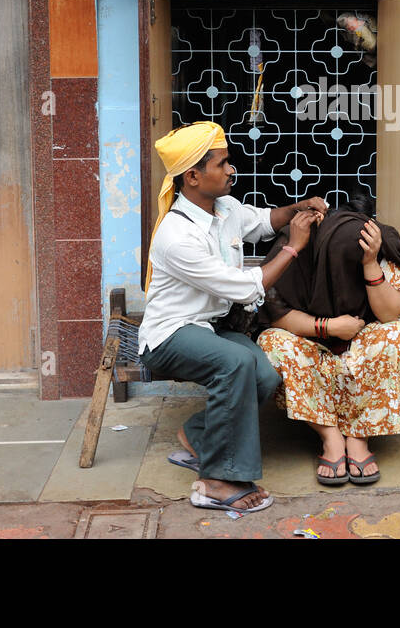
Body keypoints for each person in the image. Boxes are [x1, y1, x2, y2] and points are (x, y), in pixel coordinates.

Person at [137, 120, 327, 513]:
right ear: (192, 176)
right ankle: (216, 481)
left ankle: (198, 437)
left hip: (211, 327)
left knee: (264, 373)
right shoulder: (178, 236)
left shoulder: (224, 208)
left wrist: (299, 208)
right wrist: (293, 248)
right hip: (170, 336)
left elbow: (261, 222)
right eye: (222, 164)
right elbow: (244, 288)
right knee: (236, 361)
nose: (231, 170)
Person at [255, 195, 400, 485]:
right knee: (271, 342)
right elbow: (276, 315)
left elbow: (391, 314)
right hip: (314, 345)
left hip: (363, 351)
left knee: (399, 335)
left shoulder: (377, 243)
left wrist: (369, 262)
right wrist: (330, 326)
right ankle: (330, 436)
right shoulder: (300, 243)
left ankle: (359, 437)